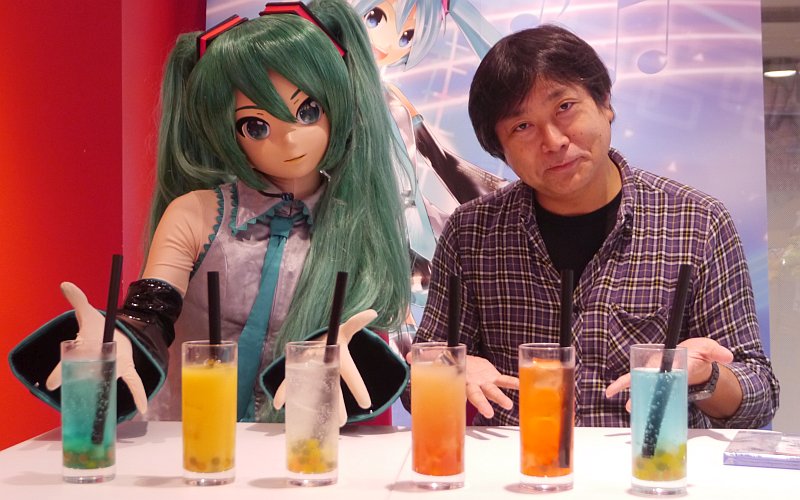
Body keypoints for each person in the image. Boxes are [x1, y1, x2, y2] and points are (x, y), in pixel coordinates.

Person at [10, 0, 411, 424]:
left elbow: (364, 327)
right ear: (227, 131)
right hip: (190, 438)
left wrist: (354, 357)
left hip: (300, 441)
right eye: (256, 125)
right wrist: (121, 341)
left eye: (307, 111)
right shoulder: (196, 215)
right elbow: (152, 312)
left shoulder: (356, 224)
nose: (291, 140)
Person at [409, 24, 780, 428]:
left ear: (605, 103)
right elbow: (418, 384)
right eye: (522, 127)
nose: (553, 140)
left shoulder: (697, 222)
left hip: (646, 462)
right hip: (519, 464)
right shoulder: (471, 233)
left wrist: (706, 377)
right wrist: (450, 370)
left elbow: (758, 395)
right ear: (501, 151)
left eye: (565, 107)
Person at [351, 0, 507, 349]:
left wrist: (484, 193)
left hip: (405, 215)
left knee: (413, 310)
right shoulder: (332, 94)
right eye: (376, 18)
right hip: (358, 218)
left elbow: (433, 155)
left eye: (406, 38)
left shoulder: (391, 97)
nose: (390, 43)